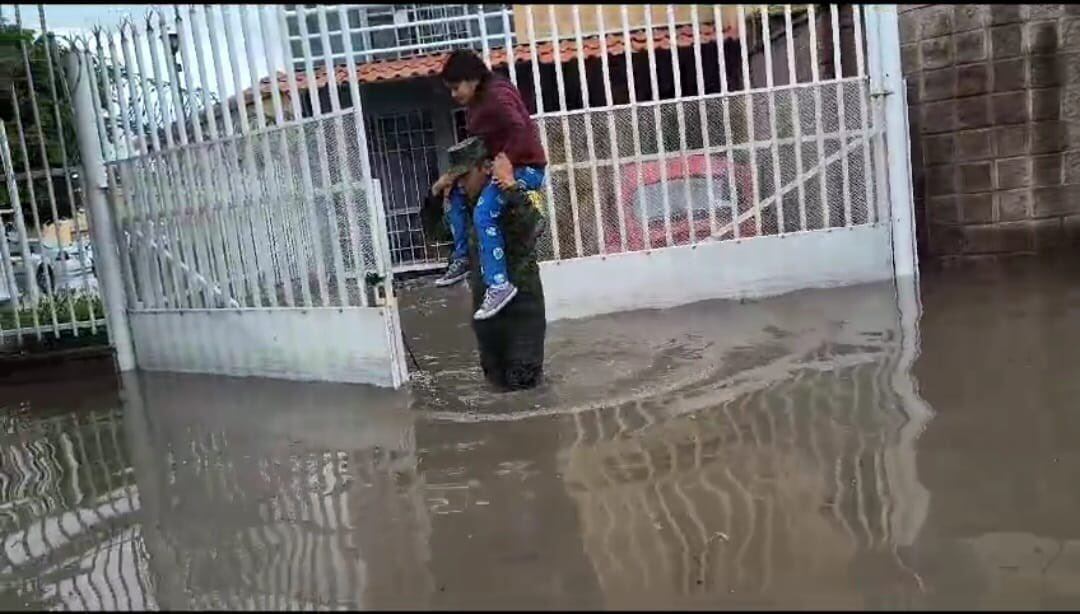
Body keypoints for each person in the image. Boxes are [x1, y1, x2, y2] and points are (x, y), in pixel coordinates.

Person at [430, 49, 548, 321]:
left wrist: (504, 167)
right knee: (465, 201)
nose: (453, 95)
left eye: (455, 87)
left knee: (484, 213)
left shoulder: (497, 95)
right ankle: (460, 260)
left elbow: (519, 127)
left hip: (524, 169)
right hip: (489, 322)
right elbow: (435, 228)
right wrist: (445, 186)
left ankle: (499, 285)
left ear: (472, 79)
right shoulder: (479, 103)